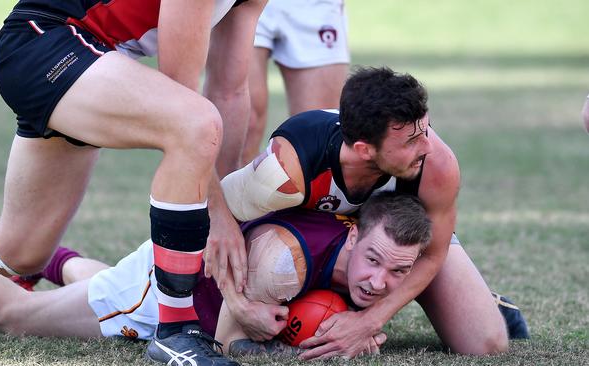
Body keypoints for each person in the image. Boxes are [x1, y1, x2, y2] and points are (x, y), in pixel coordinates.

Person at [0, 1, 266, 365]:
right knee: (195, 123)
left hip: (88, 54)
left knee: (18, 250)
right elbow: (185, 101)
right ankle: (176, 331)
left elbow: (229, 91)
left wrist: (235, 213)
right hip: (48, 41)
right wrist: (216, 216)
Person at [217, 66, 525, 359]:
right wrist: (239, 304)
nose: (427, 148)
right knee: (276, 260)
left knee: (485, 343)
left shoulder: (437, 165)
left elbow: (432, 254)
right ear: (365, 150)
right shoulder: (287, 168)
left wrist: (368, 322)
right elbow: (214, 213)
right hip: (317, 237)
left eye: (426, 131)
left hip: (388, 246)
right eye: (412, 140)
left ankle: (490, 302)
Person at [0, 193, 431, 360]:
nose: (380, 282)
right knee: (17, 316)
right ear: (351, 236)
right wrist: (301, 345)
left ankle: (56, 262)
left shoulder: (362, 242)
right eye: (373, 260)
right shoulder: (286, 260)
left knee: (108, 287)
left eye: (398, 272)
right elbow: (233, 344)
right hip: (162, 294)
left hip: (173, 274)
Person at [241, 0, 350, 164]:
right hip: (243, 4)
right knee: (245, 125)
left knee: (320, 136)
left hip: (311, 6)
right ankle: (231, 189)